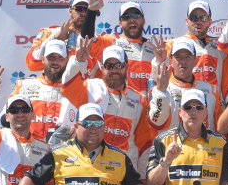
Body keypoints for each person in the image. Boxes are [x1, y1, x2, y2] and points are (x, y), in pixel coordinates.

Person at [10, 103, 157, 185]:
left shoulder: (120, 156)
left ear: (104, 126)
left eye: (98, 123)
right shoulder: (58, 154)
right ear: (76, 126)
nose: (93, 128)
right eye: (87, 123)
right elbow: (33, 177)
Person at [61, 39, 157, 177]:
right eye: (109, 66)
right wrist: (78, 62)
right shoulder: (90, 88)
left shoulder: (140, 100)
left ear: (127, 66)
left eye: (118, 65)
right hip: (93, 172)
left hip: (125, 175)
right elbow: (67, 87)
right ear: (101, 67)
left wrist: (141, 178)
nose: (114, 70)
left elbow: (144, 144)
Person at [146, 89, 228, 185]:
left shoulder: (221, 143)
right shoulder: (163, 140)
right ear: (180, 112)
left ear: (205, 112)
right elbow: (151, 183)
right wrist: (167, 161)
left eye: (198, 107)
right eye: (188, 107)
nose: (193, 112)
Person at [80, 0, 166, 92]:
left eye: (136, 15)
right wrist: (91, 10)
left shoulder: (155, 49)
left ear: (143, 20)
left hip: (148, 105)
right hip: (120, 105)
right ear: (120, 23)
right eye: (126, 17)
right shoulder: (112, 43)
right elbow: (87, 39)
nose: (131, 19)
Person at [152, 0, 228, 102]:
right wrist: (159, 61)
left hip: (213, 110)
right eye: (194, 18)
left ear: (210, 22)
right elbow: (157, 81)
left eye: (203, 18)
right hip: (183, 108)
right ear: (187, 21)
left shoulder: (220, 49)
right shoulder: (172, 45)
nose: (198, 22)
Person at [149, 38, 222, 132]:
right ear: (170, 61)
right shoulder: (161, 89)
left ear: (195, 61)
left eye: (187, 56)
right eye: (178, 57)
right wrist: (161, 93)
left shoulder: (210, 89)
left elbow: (221, 127)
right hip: (173, 146)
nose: (183, 61)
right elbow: (156, 123)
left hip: (205, 146)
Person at [7, 39, 69, 143]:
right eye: (51, 57)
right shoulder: (23, 86)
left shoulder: (76, 89)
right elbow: (4, 119)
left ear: (67, 60)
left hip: (62, 154)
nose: (55, 62)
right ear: (42, 59)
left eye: (60, 58)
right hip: (28, 153)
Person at [25, 0, 98, 74]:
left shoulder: (95, 40)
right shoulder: (50, 32)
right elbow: (31, 64)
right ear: (70, 11)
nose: (83, 13)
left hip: (82, 85)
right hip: (56, 85)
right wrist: (56, 38)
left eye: (87, 9)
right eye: (79, 8)